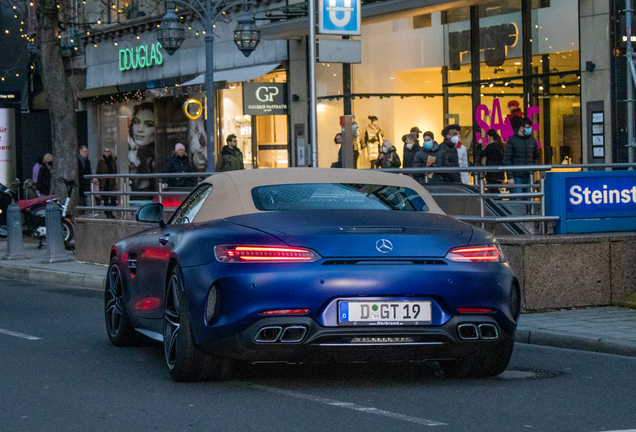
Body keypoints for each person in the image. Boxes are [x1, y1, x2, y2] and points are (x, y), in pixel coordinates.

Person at [503, 117, 541, 211]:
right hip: (517, 176)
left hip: (529, 175)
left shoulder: (532, 140)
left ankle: (529, 217)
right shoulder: (512, 140)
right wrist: (510, 177)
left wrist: (534, 168)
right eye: (527, 127)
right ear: (521, 128)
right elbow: (507, 159)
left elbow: (537, 156)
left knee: (529, 200)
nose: (530, 129)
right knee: (518, 201)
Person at [128, 102, 156, 192]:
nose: (140, 129)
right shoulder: (133, 153)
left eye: (148, 124)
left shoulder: (153, 161)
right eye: (136, 122)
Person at [96, 147, 118, 219]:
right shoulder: (101, 162)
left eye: (108, 151)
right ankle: (108, 213)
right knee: (105, 199)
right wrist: (100, 178)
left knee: (113, 199)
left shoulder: (113, 161)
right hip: (104, 183)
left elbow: (115, 171)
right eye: (105, 151)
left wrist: (115, 180)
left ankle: (110, 212)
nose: (107, 153)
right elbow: (98, 172)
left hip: (111, 183)